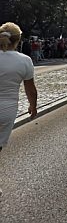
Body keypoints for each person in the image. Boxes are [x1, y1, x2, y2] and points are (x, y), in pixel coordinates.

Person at [0, 22, 38, 197]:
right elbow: (30, 89)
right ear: (18, 40)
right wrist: (33, 106)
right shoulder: (24, 60)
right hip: (7, 109)